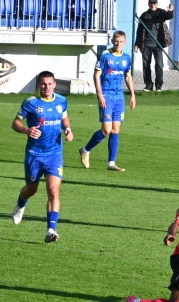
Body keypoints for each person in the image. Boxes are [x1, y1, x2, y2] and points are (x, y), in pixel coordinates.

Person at [10, 71, 74, 243]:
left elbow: (64, 119)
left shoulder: (61, 101)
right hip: (34, 154)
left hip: (54, 154)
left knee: (53, 191)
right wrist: (26, 130)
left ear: (55, 84)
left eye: (50, 83)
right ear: (39, 85)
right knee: (31, 189)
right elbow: (15, 123)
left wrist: (67, 129)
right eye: (43, 84)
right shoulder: (31, 103)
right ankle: (20, 204)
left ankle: (51, 230)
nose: (46, 87)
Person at [80, 30, 136, 172]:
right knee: (106, 130)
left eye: (121, 41)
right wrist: (100, 94)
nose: (118, 44)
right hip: (106, 95)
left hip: (119, 97)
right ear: (112, 41)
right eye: (116, 41)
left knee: (116, 130)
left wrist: (133, 95)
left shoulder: (127, 58)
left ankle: (111, 163)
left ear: (125, 42)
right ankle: (86, 150)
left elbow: (128, 76)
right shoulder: (105, 55)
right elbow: (96, 75)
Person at [134, 0, 174, 92]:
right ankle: (148, 85)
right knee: (146, 65)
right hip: (146, 45)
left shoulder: (161, 12)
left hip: (158, 44)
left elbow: (168, 16)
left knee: (159, 65)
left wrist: (170, 11)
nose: (153, 5)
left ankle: (158, 86)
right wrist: (137, 44)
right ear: (148, 4)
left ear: (157, 4)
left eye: (154, 3)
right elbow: (139, 31)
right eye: (151, 3)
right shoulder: (144, 15)